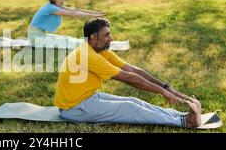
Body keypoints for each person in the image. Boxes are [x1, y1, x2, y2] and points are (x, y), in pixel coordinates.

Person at [54, 17, 202, 128]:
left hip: (86, 97)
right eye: (106, 35)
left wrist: (166, 87)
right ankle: (185, 122)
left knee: (133, 101)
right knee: (129, 108)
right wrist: (161, 92)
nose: (110, 38)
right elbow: (128, 78)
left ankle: (181, 116)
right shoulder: (87, 55)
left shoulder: (100, 50)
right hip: (74, 108)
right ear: (93, 37)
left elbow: (132, 70)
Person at [28, 0, 105, 48]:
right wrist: (93, 16)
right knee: (67, 42)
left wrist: (96, 13)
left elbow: (74, 10)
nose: (62, 1)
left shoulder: (55, 5)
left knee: (66, 39)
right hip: (36, 39)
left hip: (40, 35)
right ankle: (91, 45)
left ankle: (90, 44)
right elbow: (72, 14)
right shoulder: (51, 8)